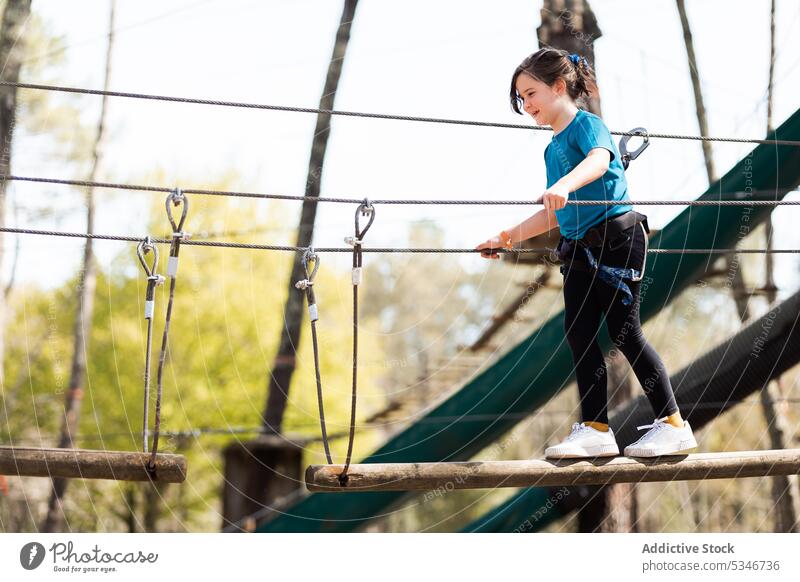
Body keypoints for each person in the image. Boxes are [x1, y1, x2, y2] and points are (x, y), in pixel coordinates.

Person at [475, 48, 697, 459]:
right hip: (577, 249)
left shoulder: (587, 126)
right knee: (578, 335)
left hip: (616, 240)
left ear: (559, 87)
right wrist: (505, 237)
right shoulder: (550, 150)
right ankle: (595, 427)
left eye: (531, 94)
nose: (526, 106)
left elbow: (599, 161)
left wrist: (565, 185)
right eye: (521, 99)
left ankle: (672, 423)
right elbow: (552, 214)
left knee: (624, 331)